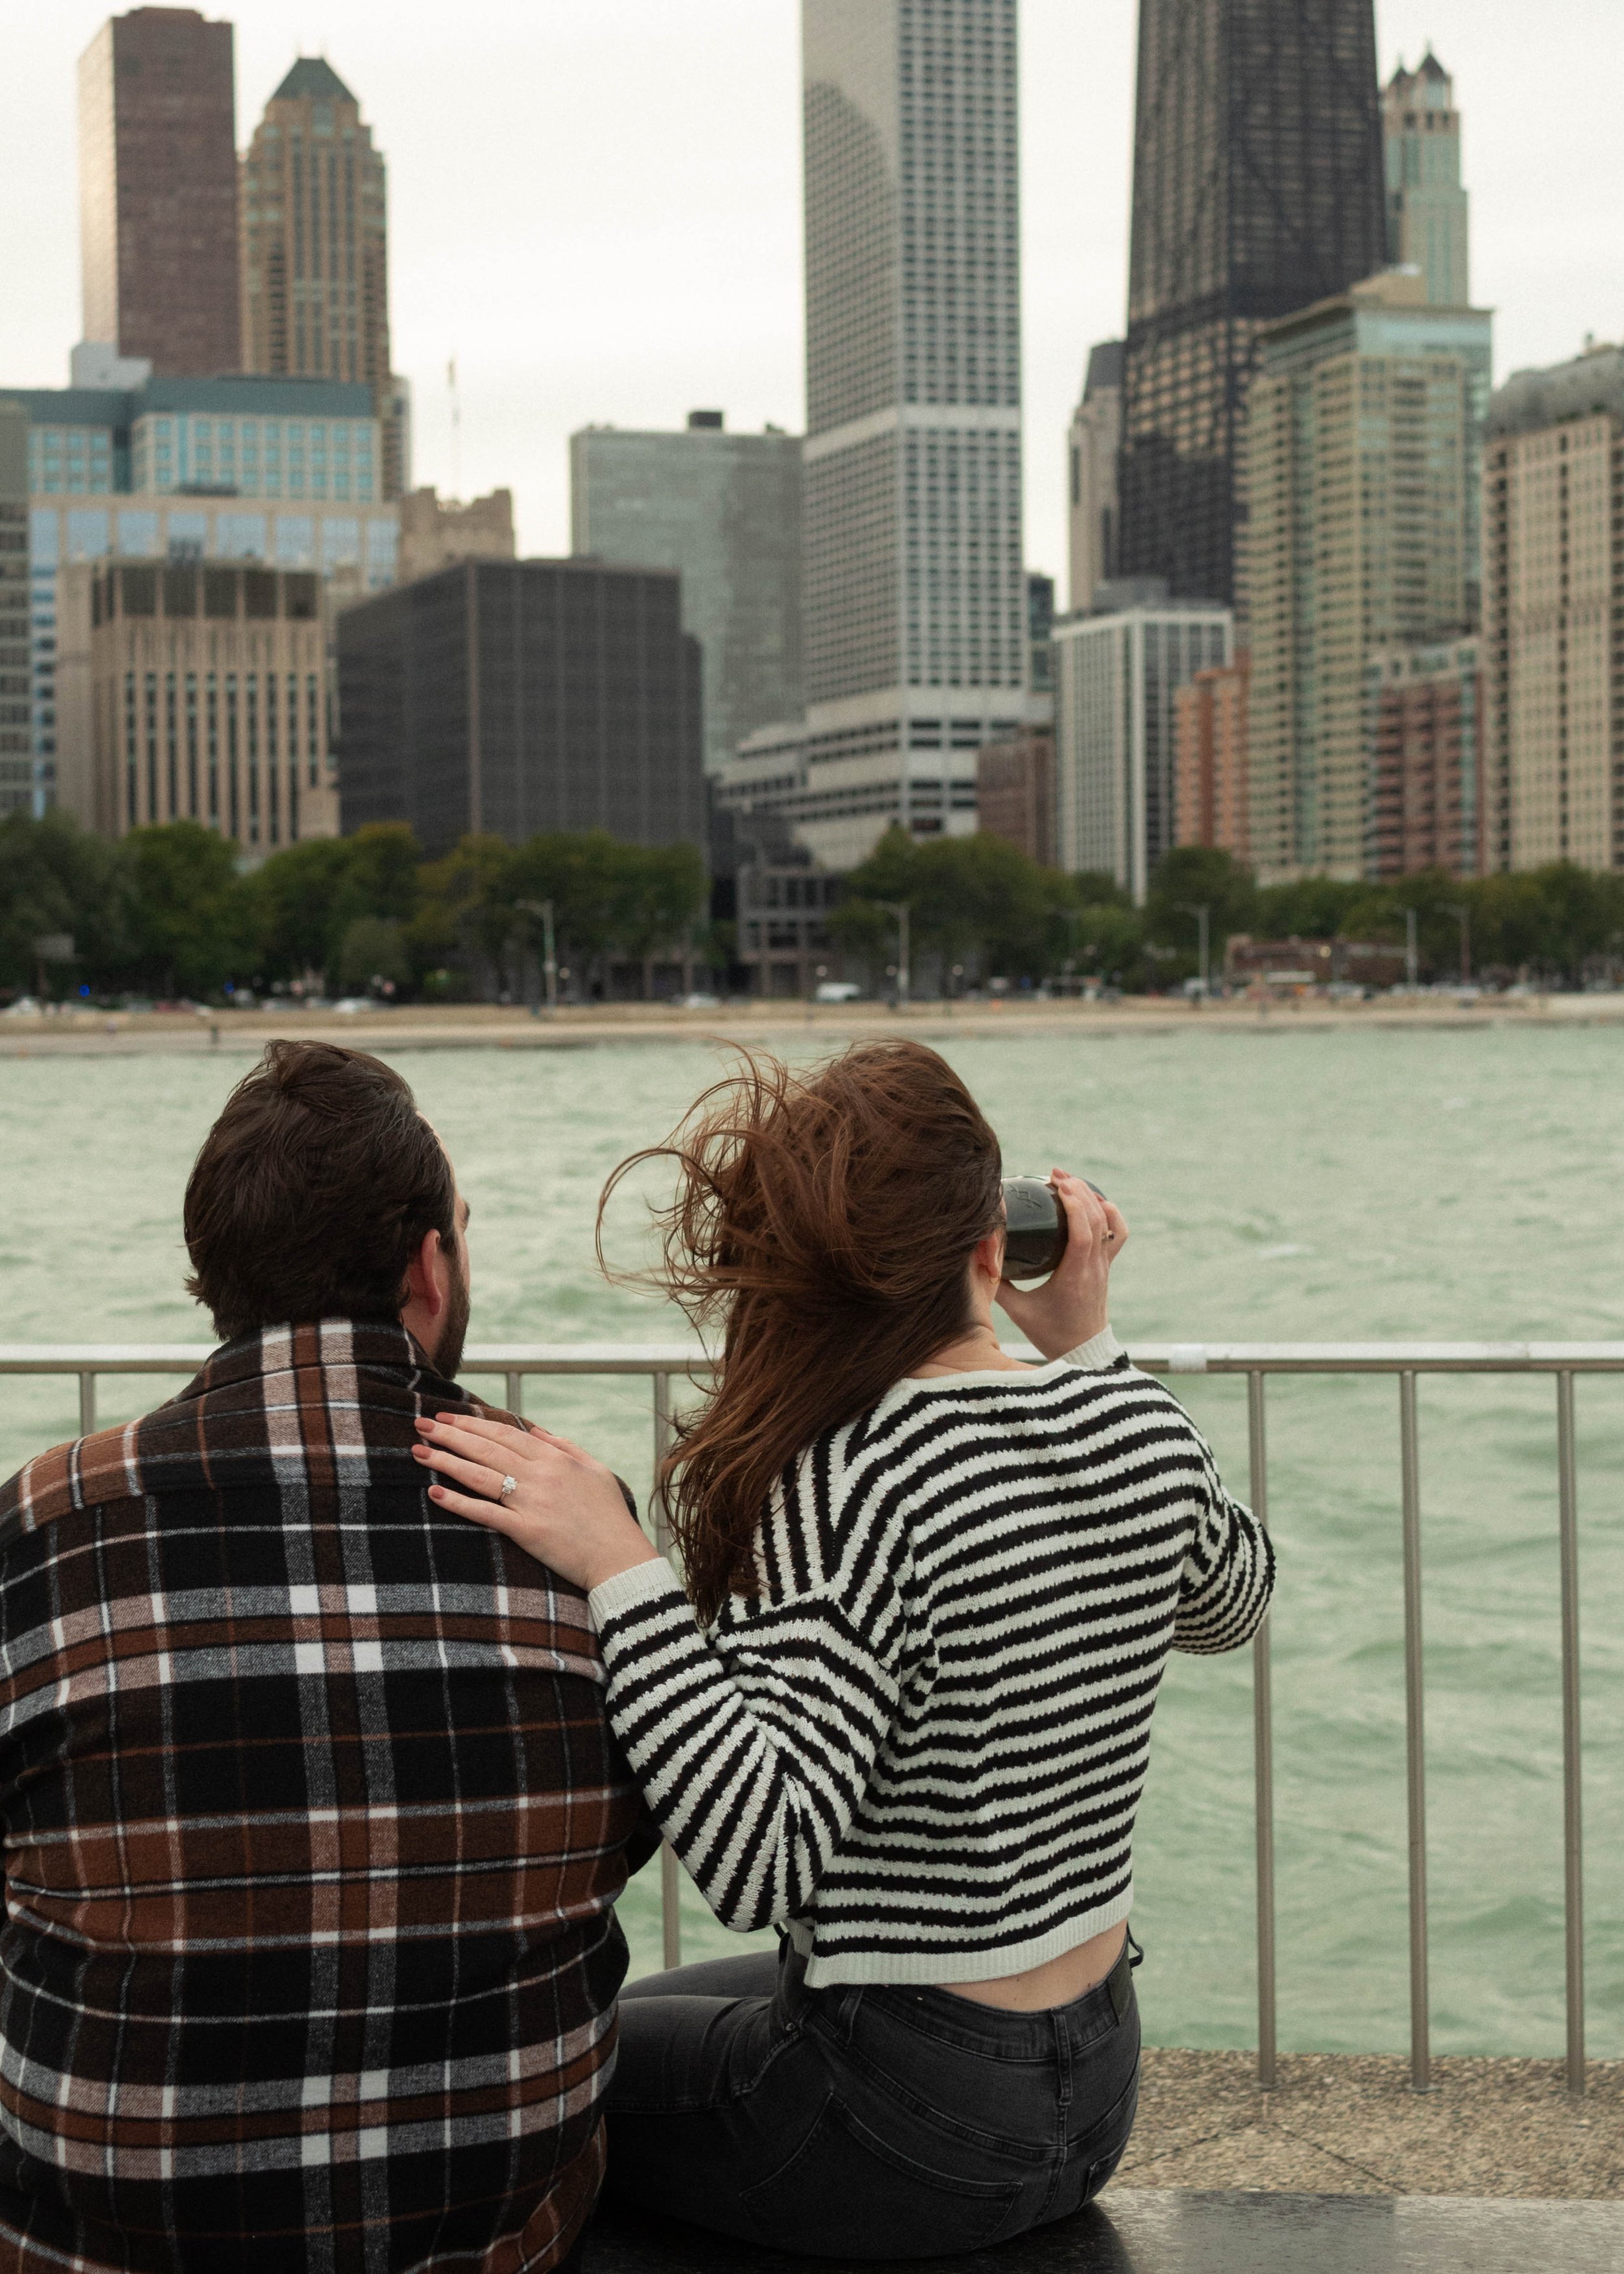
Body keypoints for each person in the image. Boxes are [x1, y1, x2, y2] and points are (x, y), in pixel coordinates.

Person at [413, 1040, 1276, 2261]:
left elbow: (760, 1858)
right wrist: (1090, 1346)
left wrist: (620, 1568)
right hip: (1096, 2087)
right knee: (631, 2009)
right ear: (993, 1247)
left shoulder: (852, 1478)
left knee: (538, 2074)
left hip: (898, 2125)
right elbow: (1232, 1602)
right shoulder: (1128, 1415)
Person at [0, 1041, 652, 2274]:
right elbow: (629, 1830)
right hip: (490, 2232)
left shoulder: (43, 1520)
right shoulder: (575, 1513)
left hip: (101, 2240)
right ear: (428, 1268)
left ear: (217, 1274)